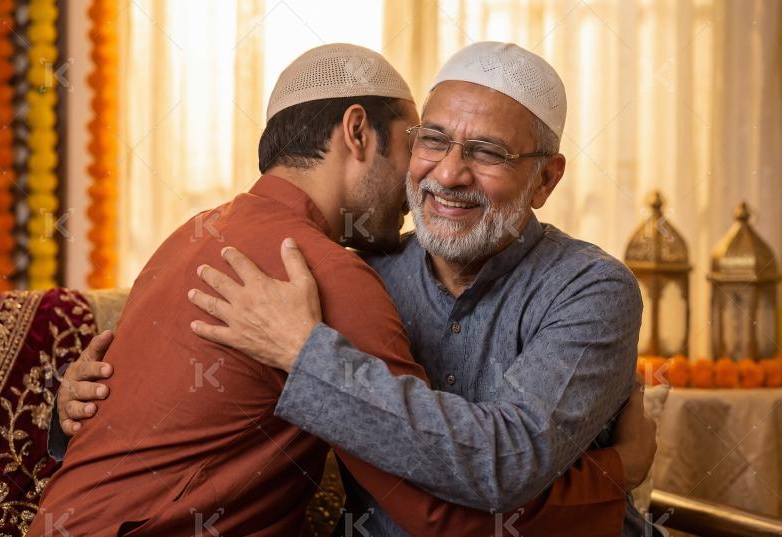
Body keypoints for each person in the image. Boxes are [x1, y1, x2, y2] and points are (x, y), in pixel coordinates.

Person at [40, 43, 657, 537]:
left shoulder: (591, 288)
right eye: (431, 140)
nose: (447, 172)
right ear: (362, 134)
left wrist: (305, 356)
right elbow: (444, 518)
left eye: (488, 152)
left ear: (546, 179)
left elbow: (500, 466)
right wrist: (78, 409)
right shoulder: (346, 273)